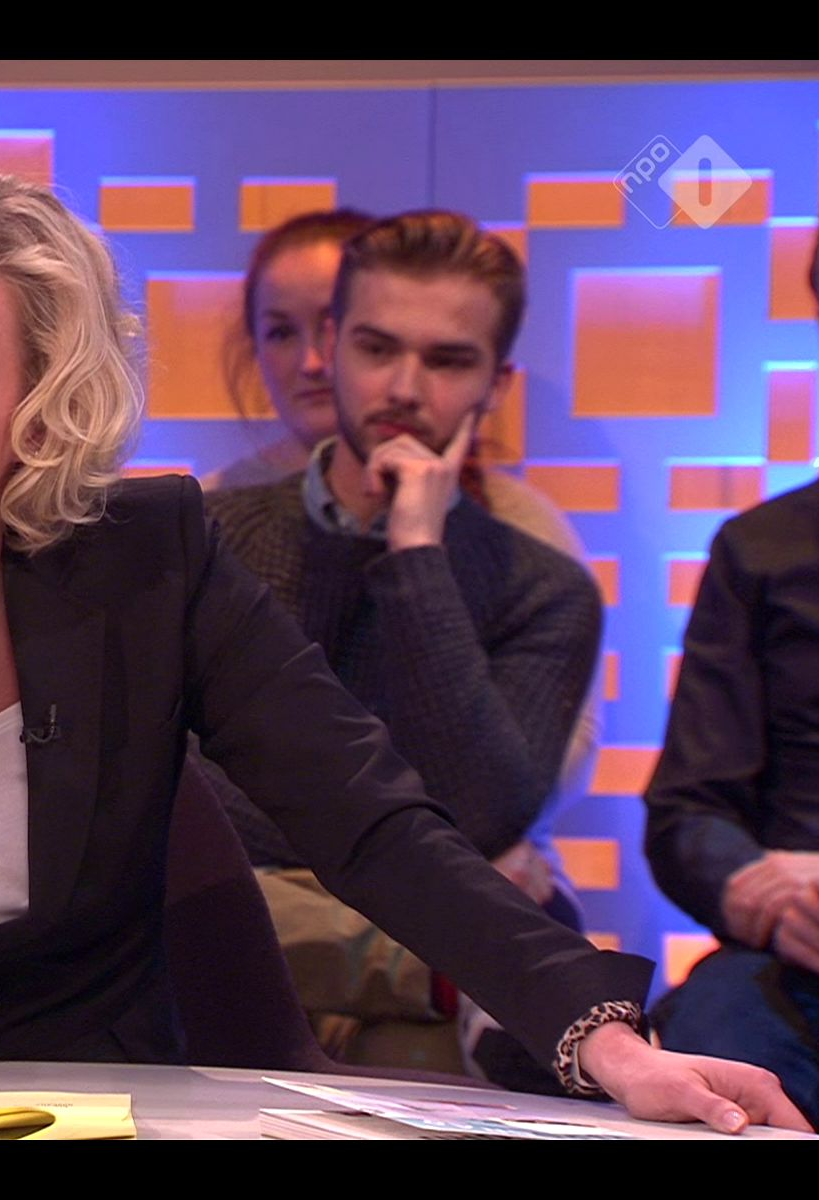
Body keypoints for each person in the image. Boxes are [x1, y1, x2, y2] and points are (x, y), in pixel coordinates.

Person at [0, 166, 804, 1132]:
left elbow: (369, 820)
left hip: (107, 1108)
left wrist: (603, 1039)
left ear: (35, 421)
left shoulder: (148, 561)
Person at [201, 211, 601, 1090]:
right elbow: (196, 804)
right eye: (377, 348)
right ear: (333, 346)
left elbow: (485, 816)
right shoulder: (211, 536)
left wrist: (416, 553)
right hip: (253, 934)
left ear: (496, 384)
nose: (404, 388)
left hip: (383, 950)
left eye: (448, 361)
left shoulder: (544, 586)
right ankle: (446, 973)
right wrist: (402, 852)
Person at [644, 159, 819, 1138]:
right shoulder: (761, 549)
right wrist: (760, 896)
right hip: (802, 961)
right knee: (707, 1063)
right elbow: (687, 809)